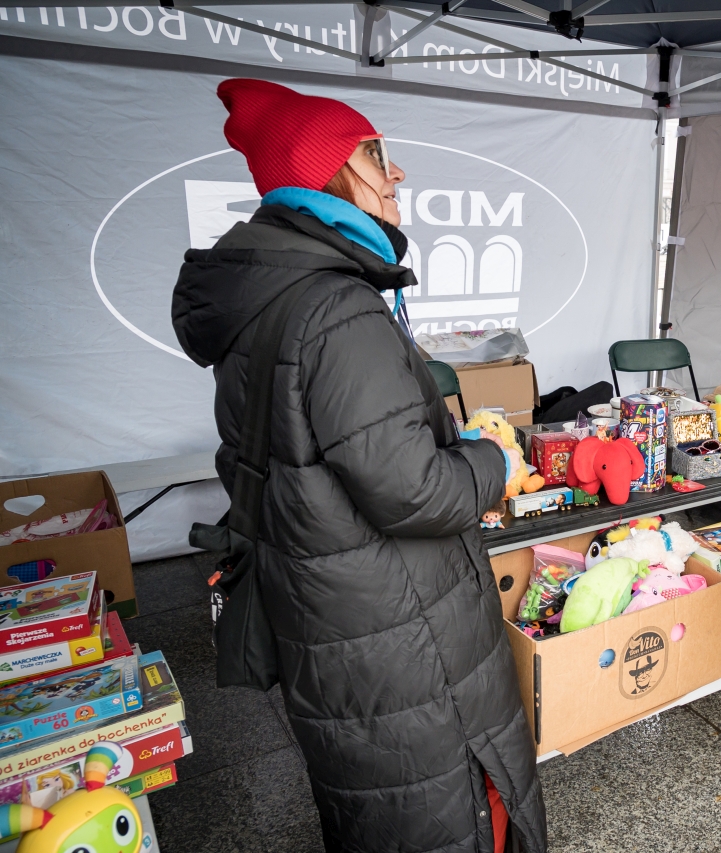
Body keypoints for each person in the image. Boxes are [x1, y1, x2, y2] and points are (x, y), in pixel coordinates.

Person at [171, 79, 546, 853]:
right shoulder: (338, 307)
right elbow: (415, 490)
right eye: (377, 155)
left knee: (373, 813)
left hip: (334, 620)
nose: (396, 172)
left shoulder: (270, 297)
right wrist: (494, 457)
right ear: (332, 173)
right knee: (449, 814)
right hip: (400, 636)